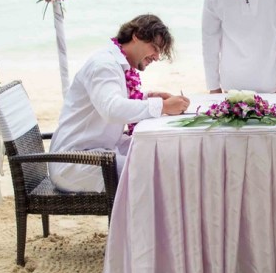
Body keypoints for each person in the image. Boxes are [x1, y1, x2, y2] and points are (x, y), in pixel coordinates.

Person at [49, 14, 189, 193]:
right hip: (74, 163)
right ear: (136, 36)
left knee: (159, 152)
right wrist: (163, 107)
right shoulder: (104, 65)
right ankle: (146, 220)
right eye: (154, 48)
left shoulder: (115, 64)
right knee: (152, 172)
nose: (156, 56)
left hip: (100, 150)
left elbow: (112, 99)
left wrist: (148, 97)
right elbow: (111, 109)